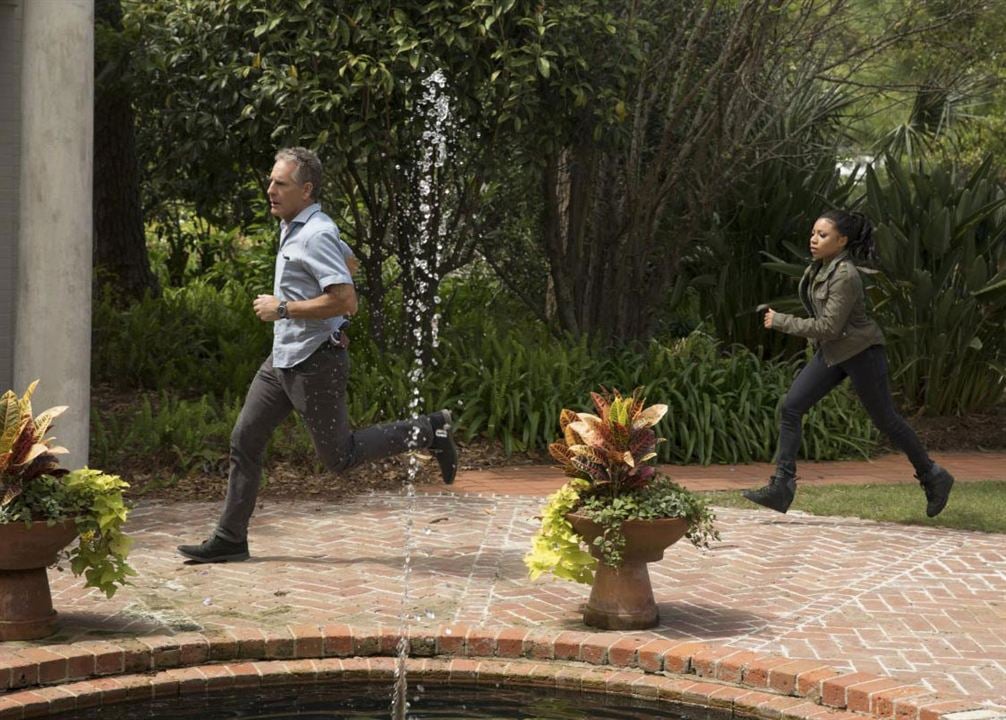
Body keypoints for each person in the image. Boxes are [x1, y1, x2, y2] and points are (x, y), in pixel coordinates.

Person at [178, 147, 459, 563]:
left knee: (339, 457)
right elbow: (350, 263)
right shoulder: (296, 224)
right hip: (282, 359)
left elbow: (347, 300)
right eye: (272, 180)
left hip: (315, 361)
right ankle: (231, 538)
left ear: (306, 189)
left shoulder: (315, 232)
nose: (270, 189)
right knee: (245, 439)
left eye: (281, 183)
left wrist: (284, 309)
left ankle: (429, 430)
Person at [744, 209, 954, 517]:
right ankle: (782, 486)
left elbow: (830, 326)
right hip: (834, 353)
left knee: (887, 421)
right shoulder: (820, 267)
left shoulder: (845, 275)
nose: (814, 240)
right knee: (791, 406)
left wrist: (781, 321)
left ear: (842, 241)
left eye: (823, 235)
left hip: (861, 353)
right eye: (813, 233)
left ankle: (934, 476)